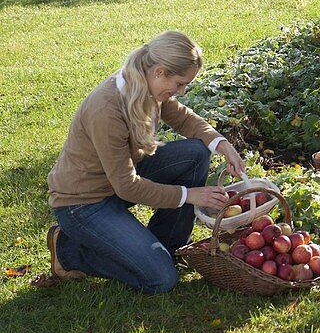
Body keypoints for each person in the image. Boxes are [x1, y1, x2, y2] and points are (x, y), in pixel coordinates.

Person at [39, 30, 245, 292]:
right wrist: (189, 195)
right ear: (160, 72)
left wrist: (222, 143)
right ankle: (68, 251)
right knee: (161, 279)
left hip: (118, 180)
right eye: (180, 84)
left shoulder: (148, 85)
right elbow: (128, 186)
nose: (180, 92)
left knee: (196, 152)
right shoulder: (107, 109)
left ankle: (166, 247)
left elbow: (183, 118)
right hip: (84, 204)